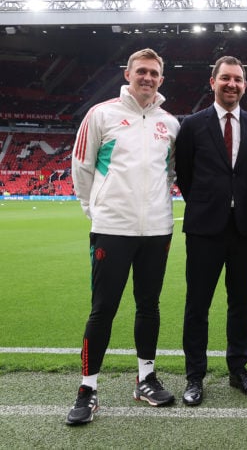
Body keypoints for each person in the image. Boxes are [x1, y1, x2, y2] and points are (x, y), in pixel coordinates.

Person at [67, 48, 180, 425]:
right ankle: (87, 388)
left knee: (149, 307)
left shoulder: (170, 123)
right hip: (113, 229)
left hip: (158, 229)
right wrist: (96, 211)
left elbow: (170, 173)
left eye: (154, 73)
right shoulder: (102, 114)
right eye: (141, 72)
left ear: (161, 80)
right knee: (102, 311)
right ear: (128, 74)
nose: (147, 78)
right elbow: (81, 167)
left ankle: (145, 378)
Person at [175, 56, 247, 406]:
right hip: (204, 228)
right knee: (197, 305)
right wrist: (208, 204)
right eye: (225, 78)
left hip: (244, 228)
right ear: (212, 81)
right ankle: (195, 376)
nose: (232, 85)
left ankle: (238, 369)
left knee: (240, 303)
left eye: (238, 80)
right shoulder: (193, 125)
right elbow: (184, 174)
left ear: (245, 85)